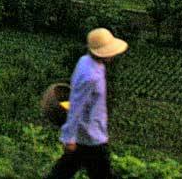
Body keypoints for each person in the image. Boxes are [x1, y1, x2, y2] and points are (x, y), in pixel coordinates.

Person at [46, 27, 128, 179]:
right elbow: (76, 105)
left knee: (63, 172)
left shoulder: (87, 62)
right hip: (90, 136)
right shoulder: (90, 76)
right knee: (102, 174)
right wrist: (68, 137)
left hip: (88, 132)